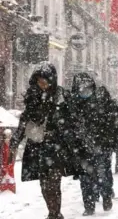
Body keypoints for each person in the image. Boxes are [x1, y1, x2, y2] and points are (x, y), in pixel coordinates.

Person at [9, 63, 81, 219]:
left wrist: (72, 139)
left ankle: (55, 213)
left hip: (56, 146)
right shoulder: (32, 97)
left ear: (52, 80)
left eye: (45, 81)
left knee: (53, 181)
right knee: (44, 183)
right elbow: (25, 119)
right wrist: (15, 141)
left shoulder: (61, 96)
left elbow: (72, 120)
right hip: (37, 145)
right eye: (39, 81)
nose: (42, 84)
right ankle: (52, 211)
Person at [69, 73, 118, 216]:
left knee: (102, 174)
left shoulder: (102, 103)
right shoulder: (73, 104)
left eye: (87, 89)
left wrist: (109, 139)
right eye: (81, 89)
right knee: (85, 178)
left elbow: (116, 120)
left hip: (101, 146)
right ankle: (89, 205)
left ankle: (106, 196)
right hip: (82, 148)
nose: (84, 92)